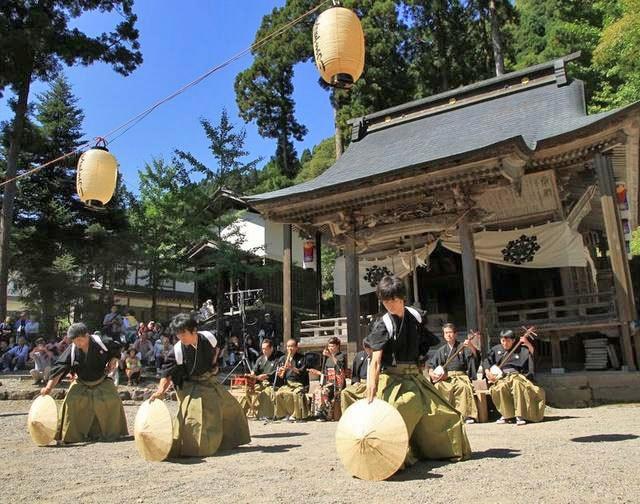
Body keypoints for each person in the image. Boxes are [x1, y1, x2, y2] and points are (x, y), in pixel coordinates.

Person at [365, 275, 471, 467]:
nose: (390, 305)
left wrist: (424, 365)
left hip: (415, 377)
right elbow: (376, 359)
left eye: (394, 300)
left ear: (402, 298)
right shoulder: (383, 324)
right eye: (386, 301)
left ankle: (432, 451)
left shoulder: (416, 316)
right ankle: (393, 456)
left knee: (445, 415)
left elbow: (422, 344)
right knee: (403, 408)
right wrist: (371, 385)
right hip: (393, 379)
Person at [150, 313, 250, 457]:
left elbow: (219, 345)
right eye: (178, 334)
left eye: (183, 333)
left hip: (207, 378)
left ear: (194, 330)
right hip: (188, 384)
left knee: (230, 406)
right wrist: (161, 390)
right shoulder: (177, 351)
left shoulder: (210, 337)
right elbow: (167, 373)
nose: (180, 337)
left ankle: (226, 442)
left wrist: (214, 362)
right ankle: (191, 447)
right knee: (194, 416)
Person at [41, 323, 127, 443]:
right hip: (81, 381)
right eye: (75, 341)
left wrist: (114, 359)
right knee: (70, 401)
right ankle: (69, 435)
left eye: (80, 340)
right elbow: (60, 368)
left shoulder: (101, 343)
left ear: (87, 335)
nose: (78, 344)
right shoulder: (72, 350)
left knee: (113, 399)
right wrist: (48, 387)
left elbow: (117, 348)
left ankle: (113, 433)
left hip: (101, 380)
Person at [485, 329, 545, 425]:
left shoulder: (521, 349)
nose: (505, 343)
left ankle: (520, 415)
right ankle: (506, 415)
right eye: (503, 341)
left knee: (518, 385)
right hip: (501, 376)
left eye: (508, 341)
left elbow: (532, 355)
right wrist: (488, 372)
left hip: (516, 375)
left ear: (513, 340)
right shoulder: (495, 349)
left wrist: (528, 344)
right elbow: (486, 361)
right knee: (500, 387)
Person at [428, 323, 479, 424]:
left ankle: (466, 415)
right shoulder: (441, 350)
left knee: (463, 387)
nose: (448, 335)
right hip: (445, 377)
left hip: (460, 376)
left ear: (455, 334)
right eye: (446, 333)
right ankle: (444, 415)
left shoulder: (462, 347)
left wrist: (471, 346)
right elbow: (431, 365)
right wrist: (431, 373)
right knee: (438, 386)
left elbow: (475, 357)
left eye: (450, 332)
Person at [241, 338, 283, 419]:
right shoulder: (260, 359)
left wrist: (266, 376)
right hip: (260, 382)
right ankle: (241, 412)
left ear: (271, 348)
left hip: (271, 383)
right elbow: (254, 370)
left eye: (266, 349)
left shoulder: (278, 358)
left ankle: (265, 414)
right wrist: (251, 376)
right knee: (247, 391)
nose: (264, 351)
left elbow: (276, 372)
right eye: (263, 349)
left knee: (266, 393)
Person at [308, 336, 346, 421]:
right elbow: (325, 373)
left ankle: (326, 413)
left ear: (337, 346)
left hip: (337, 383)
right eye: (329, 346)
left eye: (332, 346)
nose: (330, 348)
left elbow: (340, 367)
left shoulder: (341, 356)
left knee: (323, 391)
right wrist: (317, 372)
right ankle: (319, 412)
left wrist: (331, 355)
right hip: (328, 382)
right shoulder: (327, 358)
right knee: (317, 390)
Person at [274, 338, 309, 422]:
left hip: (299, 383)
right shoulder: (283, 358)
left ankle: (296, 415)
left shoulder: (302, 358)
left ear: (296, 347)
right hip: (288, 384)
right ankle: (283, 414)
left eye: (292, 346)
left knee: (296, 393)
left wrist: (292, 368)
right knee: (279, 393)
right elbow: (281, 377)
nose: (290, 348)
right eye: (288, 346)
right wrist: (279, 374)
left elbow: (302, 372)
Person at [340, 342, 372, 412]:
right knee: (345, 392)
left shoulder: (378, 354)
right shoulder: (360, 355)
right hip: (362, 383)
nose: (369, 350)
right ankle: (349, 414)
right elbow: (355, 372)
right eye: (366, 348)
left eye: (370, 348)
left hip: (374, 383)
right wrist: (355, 382)